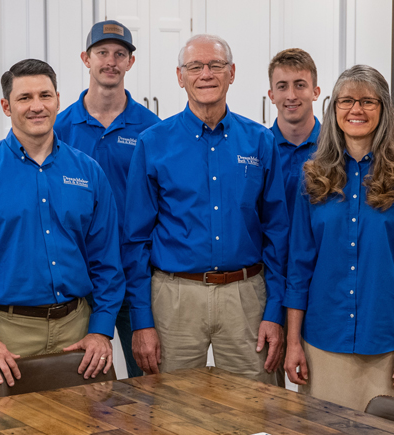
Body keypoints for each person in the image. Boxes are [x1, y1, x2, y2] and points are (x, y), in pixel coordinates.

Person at [0, 59, 125, 401]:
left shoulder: (88, 172)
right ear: (6, 106)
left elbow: (107, 262)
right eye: (25, 98)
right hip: (6, 335)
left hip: (78, 329)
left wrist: (101, 330)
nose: (36, 106)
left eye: (45, 95)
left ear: (58, 100)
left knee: (83, 425)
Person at [123, 34, 290, 384]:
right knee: (171, 408)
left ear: (231, 73)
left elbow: (277, 232)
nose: (206, 74)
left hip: (246, 294)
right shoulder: (152, 143)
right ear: (180, 76)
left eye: (215, 65)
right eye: (194, 66)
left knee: (254, 406)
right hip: (174, 297)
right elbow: (135, 240)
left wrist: (275, 310)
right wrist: (141, 321)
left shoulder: (260, 141)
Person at [283, 64, 394, 411]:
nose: (356, 110)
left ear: (383, 110)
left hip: (391, 343)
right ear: (333, 109)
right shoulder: (312, 177)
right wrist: (293, 341)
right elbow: (299, 266)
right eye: (346, 101)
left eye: (368, 101)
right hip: (324, 343)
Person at [54, 19, 160, 378]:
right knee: (83, 390)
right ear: (86, 58)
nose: (111, 61)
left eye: (120, 54)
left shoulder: (152, 128)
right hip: (80, 283)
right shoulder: (60, 127)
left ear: (130, 62)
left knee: (150, 384)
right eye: (102, 53)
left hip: (137, 278)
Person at [267, 48, 321, 213]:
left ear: (315, 92)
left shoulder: (335, 148)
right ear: (272, 95)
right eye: (282, 86)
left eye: (300, 85)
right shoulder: (260, 149)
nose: (291, 95)